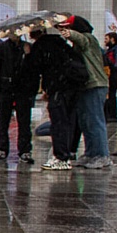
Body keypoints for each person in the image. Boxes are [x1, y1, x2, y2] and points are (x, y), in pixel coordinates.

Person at [29, 20, 84, 169]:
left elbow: (33, 68)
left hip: (58, 87)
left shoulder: (40, 46)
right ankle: (68, 152)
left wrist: (28, 54)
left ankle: (61, 157)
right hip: (72, 86)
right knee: (68, 121)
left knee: (58, 122)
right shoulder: (59, 43)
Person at [61, 15, 110, 168]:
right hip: (86, 86)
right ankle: (91, 153)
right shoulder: (77, 45)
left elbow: (83, 39)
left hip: (95, 85)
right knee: (86, 122)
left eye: (69, 27)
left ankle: (102, 155)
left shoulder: (89, 38)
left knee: (95, 121)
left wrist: (71, 35)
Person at [0, 30, 31, 162]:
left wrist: (28, 55)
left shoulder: (27, 48)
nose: (15, 35)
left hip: (22, 89)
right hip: (5, 88)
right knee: (3, 120)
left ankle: (25, 150)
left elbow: (33, 69)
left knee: (24, 121)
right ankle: (1, 149)